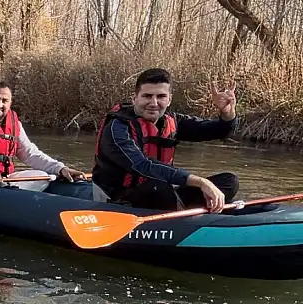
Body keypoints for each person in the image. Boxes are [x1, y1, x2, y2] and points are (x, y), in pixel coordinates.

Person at [92, 67, 239, 212]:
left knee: (229, 181)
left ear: (169, 100)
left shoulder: (172, 121)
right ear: (134, 98)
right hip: (118, 198)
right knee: (158, 187)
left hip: (160, 192)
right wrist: (200, 182)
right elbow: (142, 165)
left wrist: (227, 113)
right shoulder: (117, 128)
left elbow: (219, 130)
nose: (154, 103)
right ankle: (185, 217)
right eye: (147, 96)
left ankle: (197, 214)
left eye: (161, 96)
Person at [0, 81, 87, 191]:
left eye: (5, 101)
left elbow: (30, 153)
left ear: (10, 103)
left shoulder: (15, 124)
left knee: (44, 176)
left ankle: (11, 196)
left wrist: (60, 168)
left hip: (3, 178)